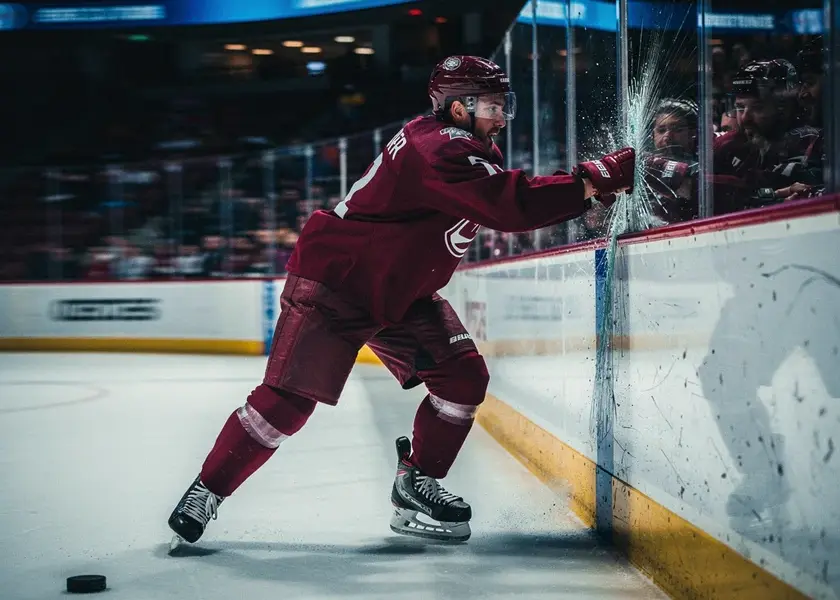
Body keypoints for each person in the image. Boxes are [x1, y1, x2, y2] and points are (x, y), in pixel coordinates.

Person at [167, 55, 635, 546]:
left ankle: (415, 481)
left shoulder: (460, 145)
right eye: (494, 105)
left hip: (399, 291)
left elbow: (502, 198)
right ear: (458, 108)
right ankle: (208, 489)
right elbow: (508, 205)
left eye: (503, 104)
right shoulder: (441, 147)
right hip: (338, 285)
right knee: (286, 403)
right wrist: (593, 178)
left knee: (462, 378)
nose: (502, 117)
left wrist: (582, 192)